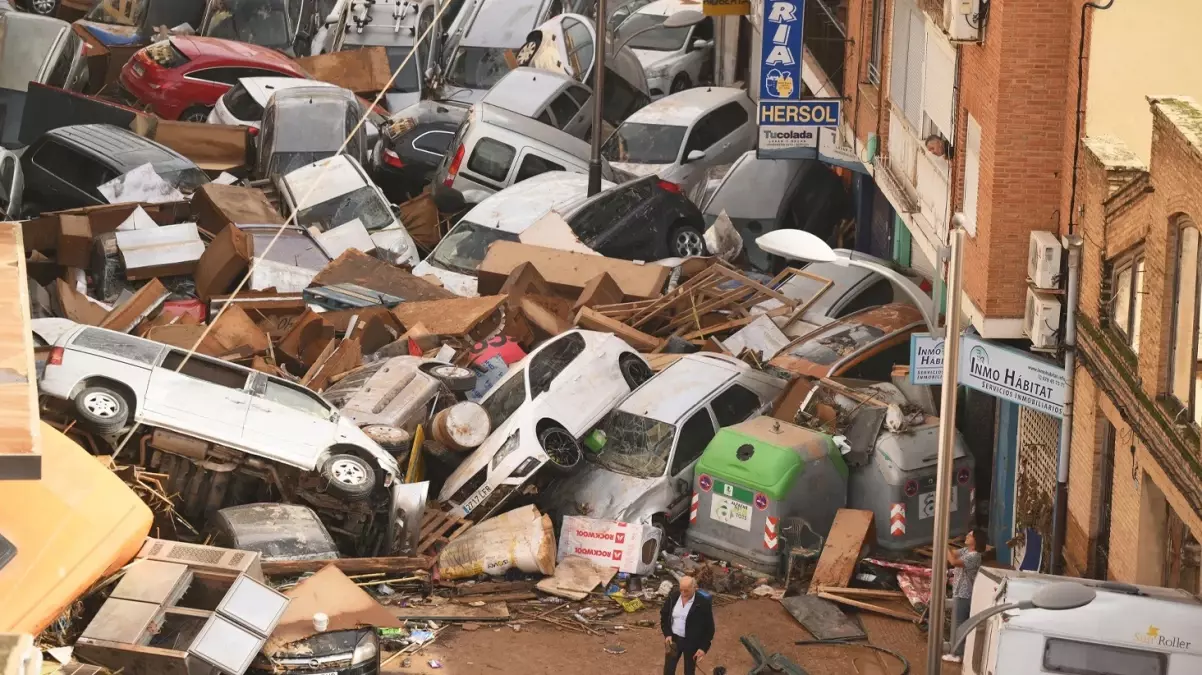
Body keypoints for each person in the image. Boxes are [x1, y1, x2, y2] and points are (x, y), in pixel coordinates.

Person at [943, 528, 986, 663]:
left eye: (970, 535)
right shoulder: (967, 551)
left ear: (975, 540)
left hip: (965, 594)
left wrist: (943, 543)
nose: (967, 535)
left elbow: (954, 562)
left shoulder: (975, 556)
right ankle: (956, 652)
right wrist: (947, 544)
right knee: (957, 622)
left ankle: (958, 654)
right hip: (959, 592)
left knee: (959, 624)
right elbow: (953, 554)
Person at [660, 575, 715, 675]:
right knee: (668, 670)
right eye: (681, 590)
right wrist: (667, 634)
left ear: (695, 588)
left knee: (689, 671)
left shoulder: (703, 603)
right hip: (674, 640)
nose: (683, 593)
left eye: (686, 590)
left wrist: (703, 647)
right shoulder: (673, 597)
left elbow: (710, 627)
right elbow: (664, 616)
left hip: (692, 642)